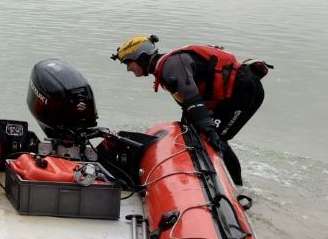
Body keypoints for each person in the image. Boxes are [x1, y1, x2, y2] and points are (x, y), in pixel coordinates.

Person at [112, 34, 271, 185]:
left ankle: (236, 187)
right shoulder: (166, 67)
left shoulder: (170, 67)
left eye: (128, 63)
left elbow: (192, 99)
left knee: (218, 140)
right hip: (234, 94)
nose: (128, 69)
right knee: (200, 132)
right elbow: (189, 105)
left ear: (142, 57)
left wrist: (209, 130)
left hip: (246, 92)